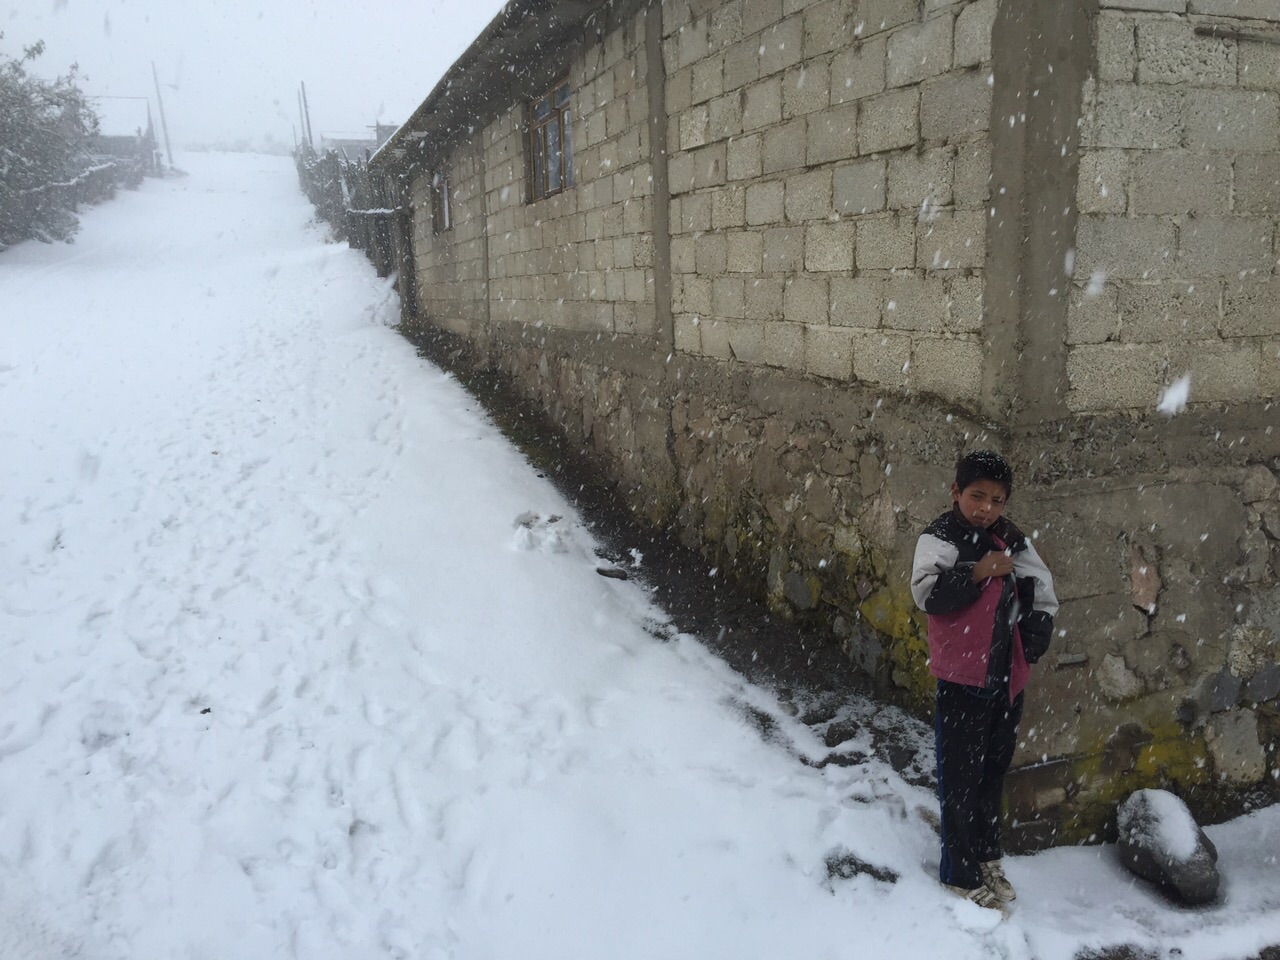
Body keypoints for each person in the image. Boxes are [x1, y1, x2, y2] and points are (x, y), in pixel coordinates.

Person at [910, 450, 1058, 910]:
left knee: (993, 770)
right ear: (956, 493)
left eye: (996, 500)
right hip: (962, 677)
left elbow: (1042, 590)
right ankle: (959, 870)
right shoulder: (940, 538)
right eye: (977, 496)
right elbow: (927, 595)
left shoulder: (1010, 538)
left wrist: (1027, 649)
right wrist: (976, 571)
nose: (986, 508)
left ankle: (987, 853)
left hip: (1005, 678)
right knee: (959, 775)